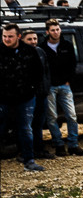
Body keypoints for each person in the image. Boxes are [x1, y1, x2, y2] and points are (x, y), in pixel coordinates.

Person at [1, 23, 45, 171]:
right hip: (3, 99)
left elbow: (39, 73)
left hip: (25, 98)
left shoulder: (29, 51)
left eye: (10, 36)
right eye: (4, 36)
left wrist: (32, 89)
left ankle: (29, 161)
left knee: (25, 129)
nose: (7, 39)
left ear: (18, 36)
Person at [40, 18, 83, 155]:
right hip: (50, 87)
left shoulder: (66, 45)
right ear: (47, 32)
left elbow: (73, 64)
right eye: (53, 30)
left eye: (57, 29)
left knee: (72, 115)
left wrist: (68, 80)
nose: (56, 32)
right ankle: (59, 145)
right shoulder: (43, 48)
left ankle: (73, 145)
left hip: (65, 86)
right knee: (51, 117)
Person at [21, 29, 54, 160]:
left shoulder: (40, 52)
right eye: (29, 39)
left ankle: (39, 150)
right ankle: (25, 153)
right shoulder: (19, 54)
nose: (33, 41)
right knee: (26, 126)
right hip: (27, 97)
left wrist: (46, 88)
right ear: (22, 40)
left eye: (35, 39)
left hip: (42, 95)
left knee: (38, 125)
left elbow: (46, 72)